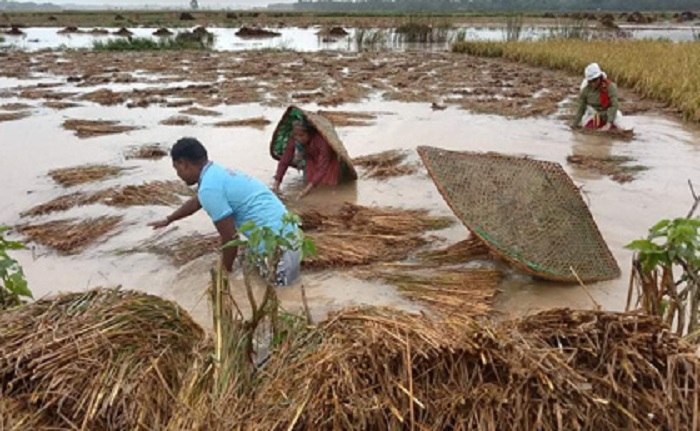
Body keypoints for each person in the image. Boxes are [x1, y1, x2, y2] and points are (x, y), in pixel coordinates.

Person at [149, 137, 301, 287]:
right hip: (290, 238)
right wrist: (169, 219)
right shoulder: (216, 172)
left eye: (177, 169)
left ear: (183, 163)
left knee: (280, 296)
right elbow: (196, 202)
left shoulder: (209, 187)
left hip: (278, 251)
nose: (178, 175)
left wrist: (224, 274)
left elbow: (230, 238)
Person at [272, 119, 343, 199]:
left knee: (328, 187)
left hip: (329, 163)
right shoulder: (294, 140)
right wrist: (276, 183)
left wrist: (306, 191)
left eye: (301, 135)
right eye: (295, 135)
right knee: (309, 181)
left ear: (309, 133)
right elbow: (285, 160)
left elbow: (323, 167)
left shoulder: (321, 142)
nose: (298, 138)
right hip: (311, 160)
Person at [571, 63, 626, 131]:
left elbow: (614, 105)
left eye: (595, 80)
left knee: (617, 129)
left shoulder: (610, 87)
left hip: (609, 113)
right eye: (591, 81)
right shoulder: (586, 89)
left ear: (600, 77)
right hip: (594, 114)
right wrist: (574, 125)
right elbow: (581, 109)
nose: (593, 83)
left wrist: (608, 124)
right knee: (590, 130)